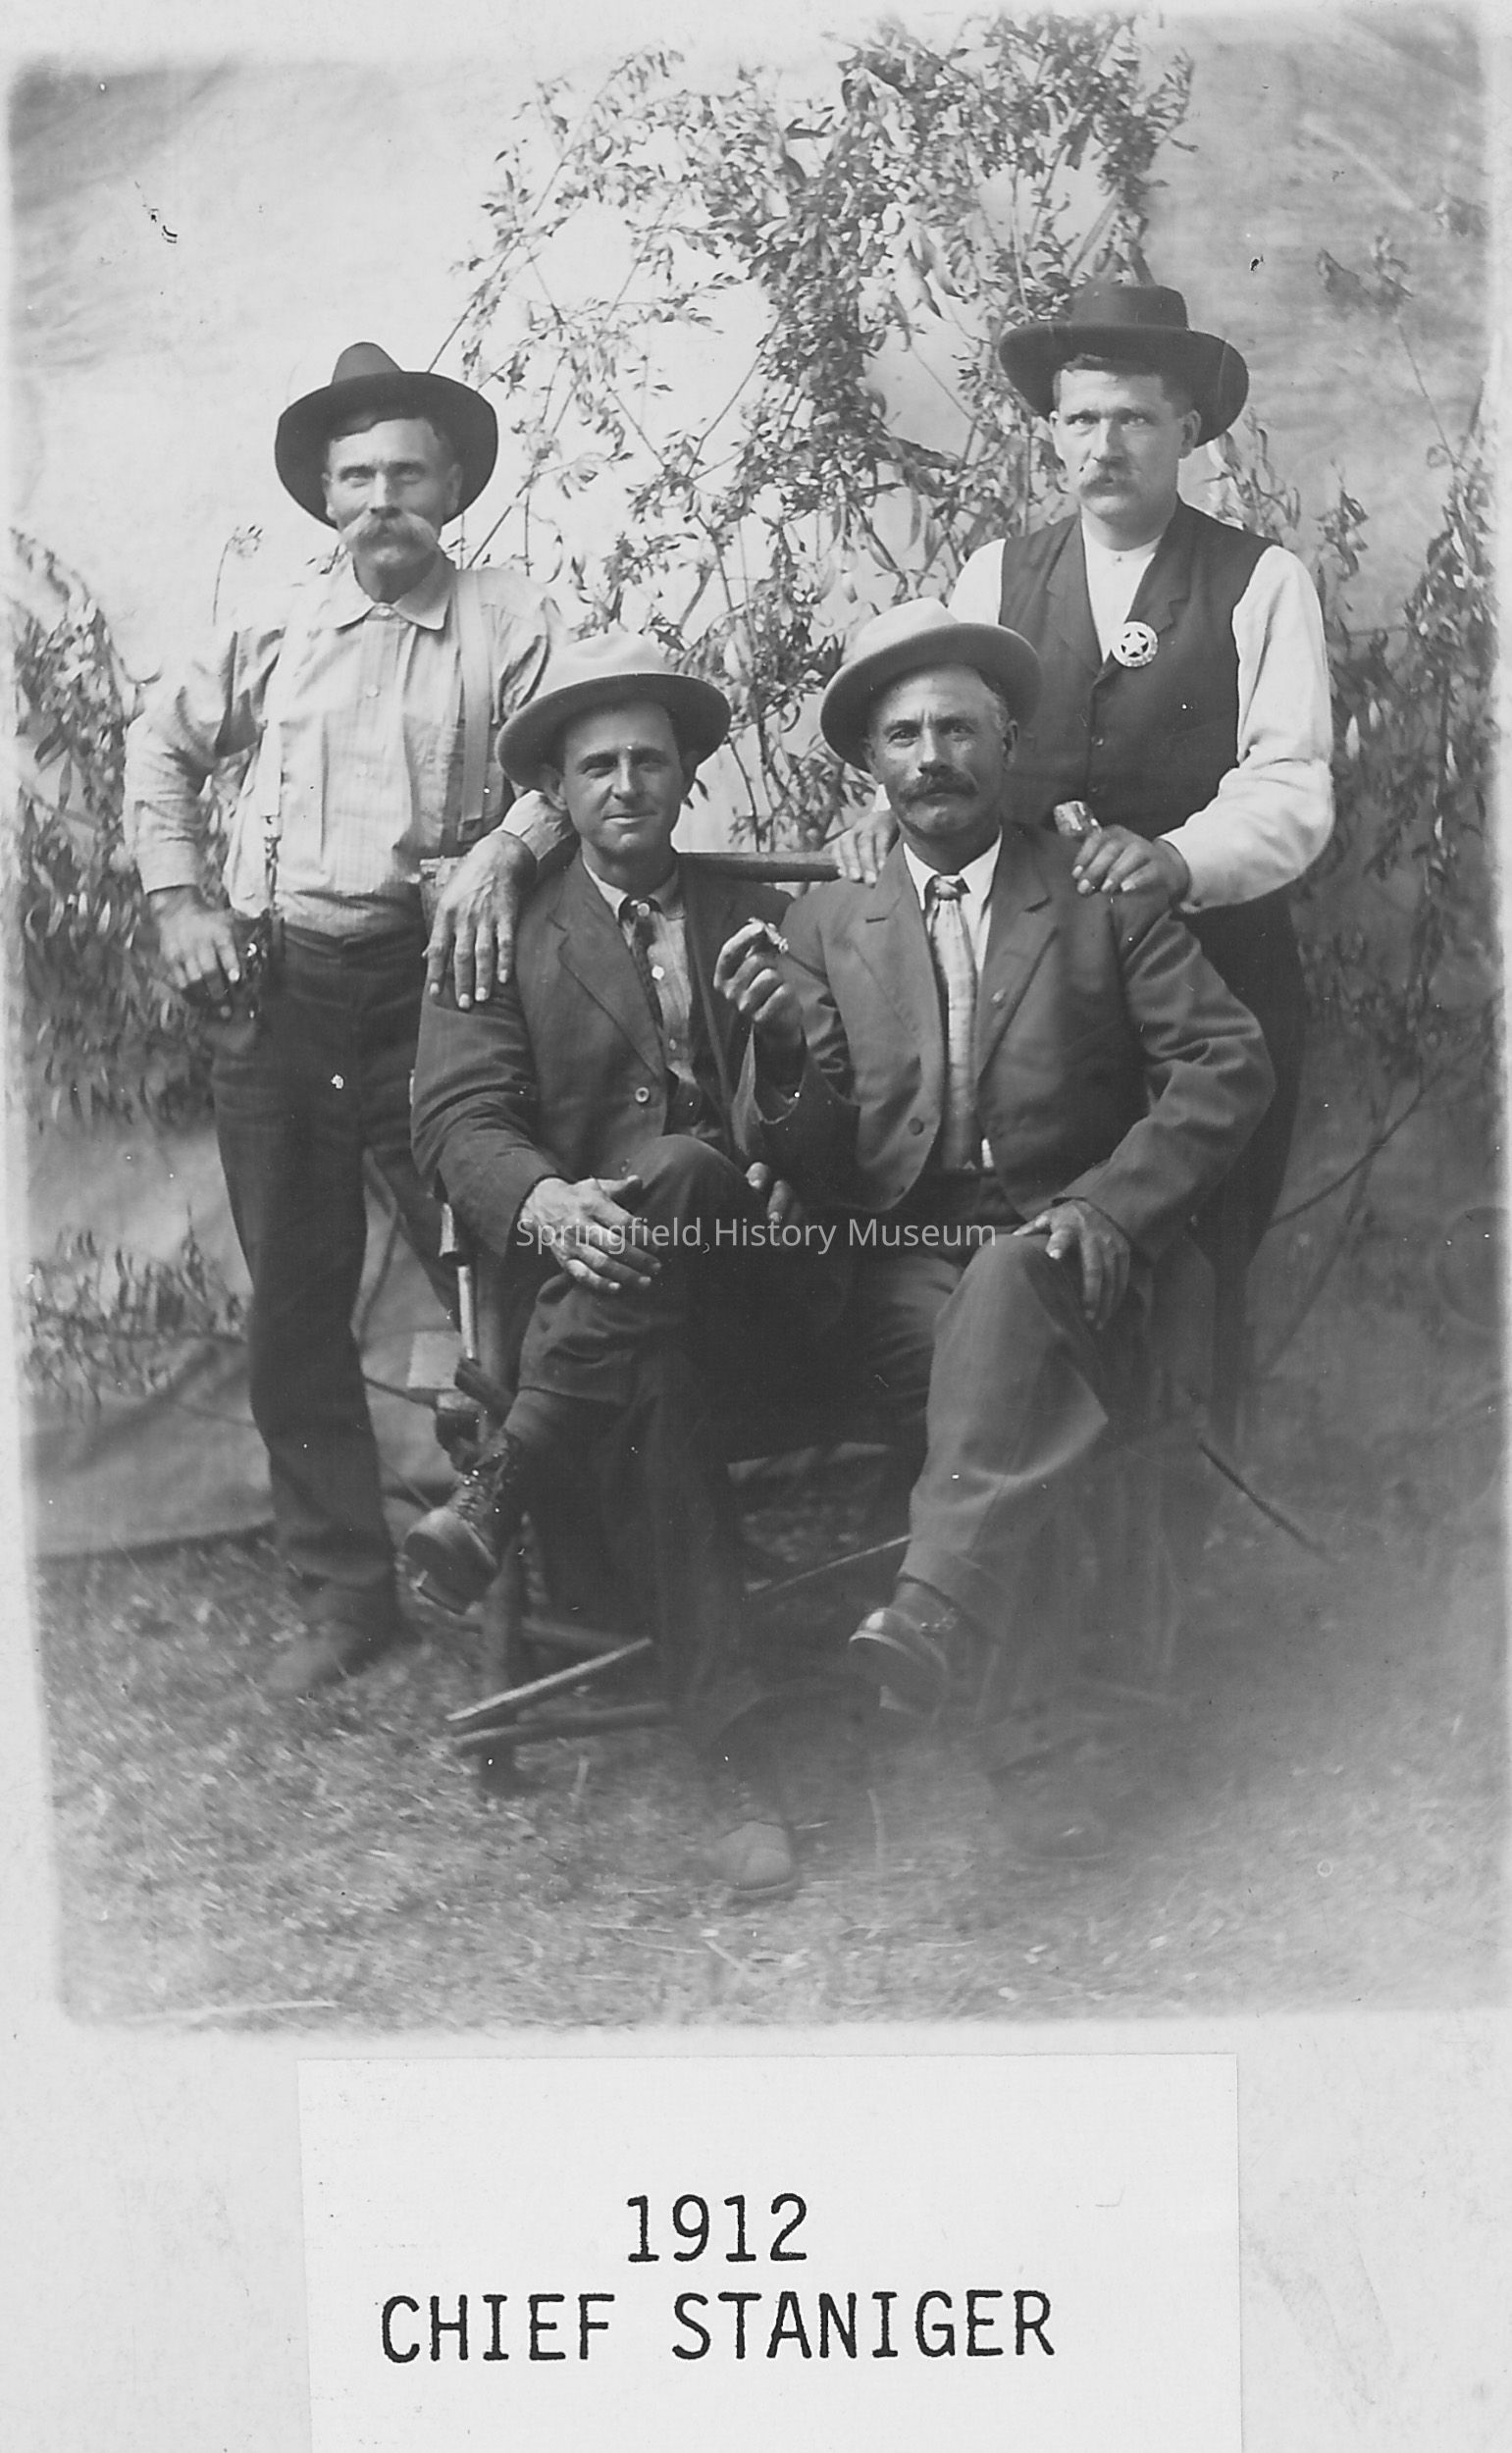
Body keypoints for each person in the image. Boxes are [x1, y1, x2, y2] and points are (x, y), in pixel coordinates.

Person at [756, 599, 1275, 1854]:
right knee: (996, 1376)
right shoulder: (827, 921)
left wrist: (1110, 1201)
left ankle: (933, 1609)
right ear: (870, 764)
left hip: (1075, 1252)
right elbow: (813, 1155)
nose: (930, 757)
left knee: (1007, 1305)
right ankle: (1020, 1729)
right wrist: (774, 1058)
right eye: (902, 737)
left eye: (956, 729)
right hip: (897, 1269)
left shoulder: (1096, 891)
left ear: (1005, 744)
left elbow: (1227, 1062)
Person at [125, 342, 565, 1696]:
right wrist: (181, 902)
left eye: (408, 477)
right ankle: (343, 1593)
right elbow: (159, 747)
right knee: (296, 1302)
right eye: (358, 478)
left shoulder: (509, 619)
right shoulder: (274, 624)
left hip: (441, 996)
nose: (384, 502)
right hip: (280, 993)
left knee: (499, 1277)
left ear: (453, 490)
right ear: (325, 496)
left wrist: (507, 849)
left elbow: (580, 762)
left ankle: (545, 1551)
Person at [406, 633, 832, 1901]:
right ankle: (740, 1757)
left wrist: (789, 1073)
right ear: (556, 788)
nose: (628, 784)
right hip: (612, 1317)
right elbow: (455, 1122)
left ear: (688, 775)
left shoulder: (763, 916)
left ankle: (507, 1478)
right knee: (650, 1380)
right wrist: (544, 1203)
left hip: (757, 1290)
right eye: (598, 766)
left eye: (651, 760)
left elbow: (843, 1115)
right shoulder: (501, 930)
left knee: (691, 1166)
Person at [837, 280, 1332, 1250]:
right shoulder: (996, 575)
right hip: (1045, 993)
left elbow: (1292, 782)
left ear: (1186, 431)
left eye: (1133, 419)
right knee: (1049, 1248)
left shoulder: (1261, 580)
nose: (1104, 446)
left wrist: (1176, 859)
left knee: (1199, 1261)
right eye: (1080, 420)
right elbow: (946, 739)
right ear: (1053, 436)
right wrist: (891, 814)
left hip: (1217, 974)